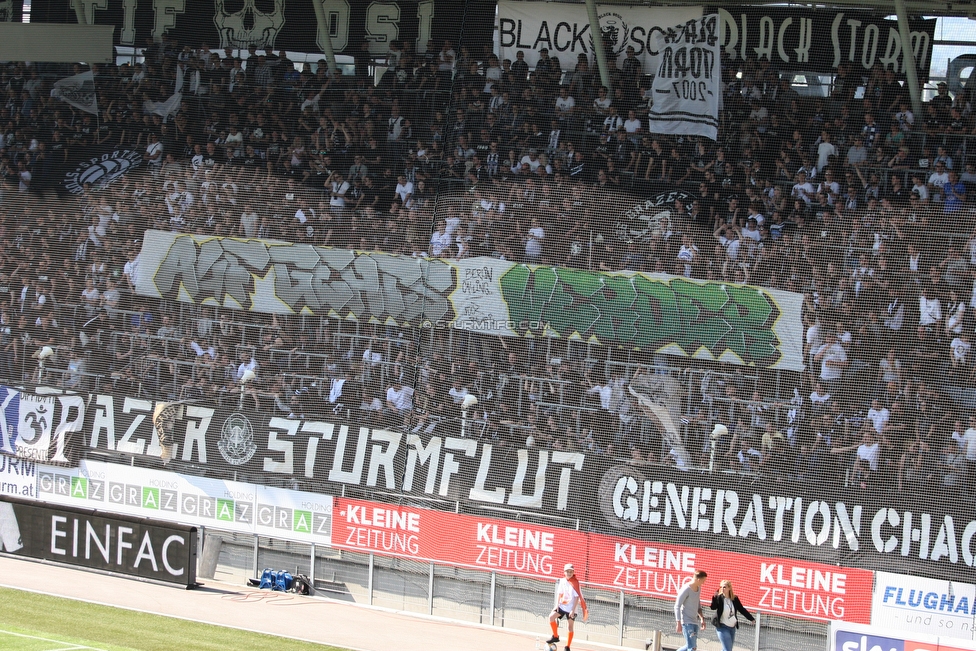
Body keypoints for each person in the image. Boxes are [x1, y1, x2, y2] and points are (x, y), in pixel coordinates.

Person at [547, 563, 588, 651]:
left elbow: (577, 597)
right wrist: (557, 605)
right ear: (564, 572)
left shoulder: (575, 583)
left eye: (571, 571)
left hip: (571, 608)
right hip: (562, 605)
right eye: (567, 571)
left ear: (573, 572)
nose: (569, 573)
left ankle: (567, 646)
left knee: (570, 626)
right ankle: (555, 636)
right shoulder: (562, 581)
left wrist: (572, 610)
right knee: (551, 616)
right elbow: (559, 593)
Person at [710, 579, 755, 651]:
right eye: (721, 587)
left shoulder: (735, 598)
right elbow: (713, 607)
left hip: (732, 627)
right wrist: (714, 598)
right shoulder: (719, 598)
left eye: (724, 587)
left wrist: (751, 618)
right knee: (728, 649)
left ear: (729, 588)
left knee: (727, 649)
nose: (722, 589)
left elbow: (741, 609)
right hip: (722, 627)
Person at [673, 570, 707, 651]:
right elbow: (677, 606)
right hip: (687, 621)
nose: (703, 583)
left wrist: (702, 618)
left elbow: (698, 604)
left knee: (691, 646)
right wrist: (678, 622)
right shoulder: (686, 589)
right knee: (691, 647)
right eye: (703, 581)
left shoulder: (698, 588)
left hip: (694, 621)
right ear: (698, 580)